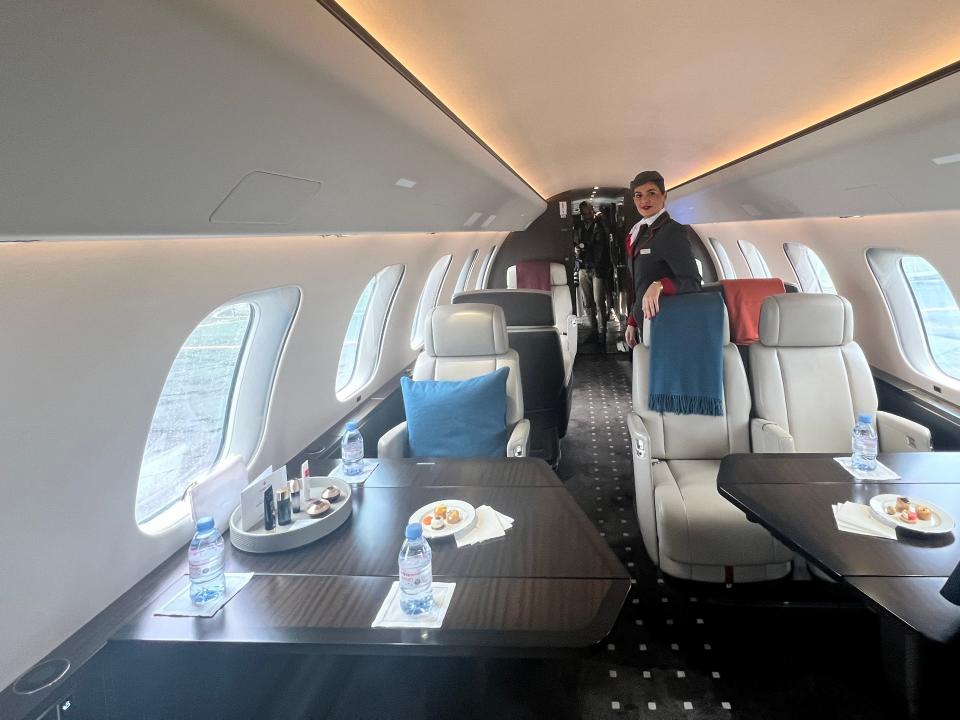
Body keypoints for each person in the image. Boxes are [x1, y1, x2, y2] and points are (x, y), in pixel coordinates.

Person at [623, 171, 702, 349]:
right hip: (646, 322)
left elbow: (692, 282)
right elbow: (639, 283)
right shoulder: (639, 232)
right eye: (638, 195)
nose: (644, 201)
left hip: (667, 325)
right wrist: (632, 320)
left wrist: (659, 285)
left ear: (664, 196)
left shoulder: (672, 232)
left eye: (652, 193)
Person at [573, 201, 612, 345]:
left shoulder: (600, 224)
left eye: (589, 212)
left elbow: (605, 241)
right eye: (584, 213)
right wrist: (577, 249)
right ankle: (593, 329)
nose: (587, 216)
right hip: (583, 267)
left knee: (599, 300)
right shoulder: (578, 226)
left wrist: (602, 219)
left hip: (597, 267)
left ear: (592, 211)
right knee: (588, 302)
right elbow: (575, 242)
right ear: (581, 213)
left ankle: (602, 332)